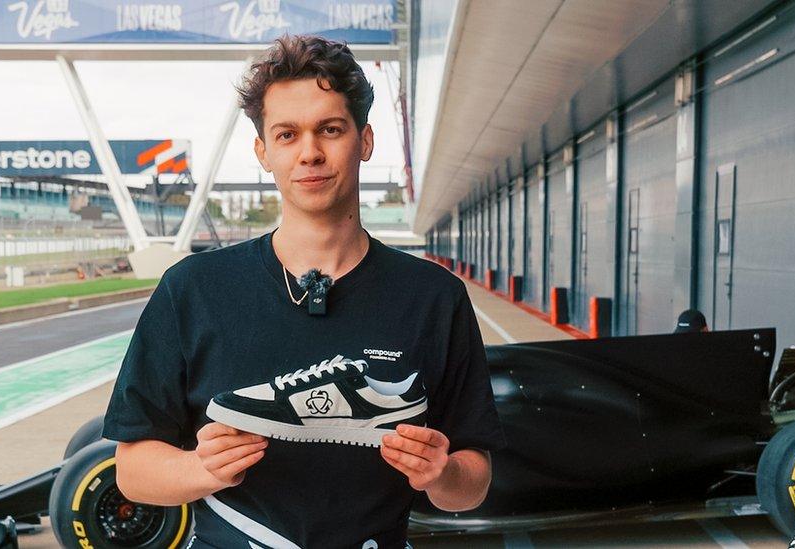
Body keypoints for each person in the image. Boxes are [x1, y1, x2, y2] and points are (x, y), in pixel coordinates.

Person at [102, 34, 505, 549]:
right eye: (288, 134)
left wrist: (439, 473)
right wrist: (200, 468)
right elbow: (133, 473)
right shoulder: (194, 288)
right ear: (263, 151)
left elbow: (472, 484)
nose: (310, 153)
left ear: (364, 141)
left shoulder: (434, 296)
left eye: (330, 130)